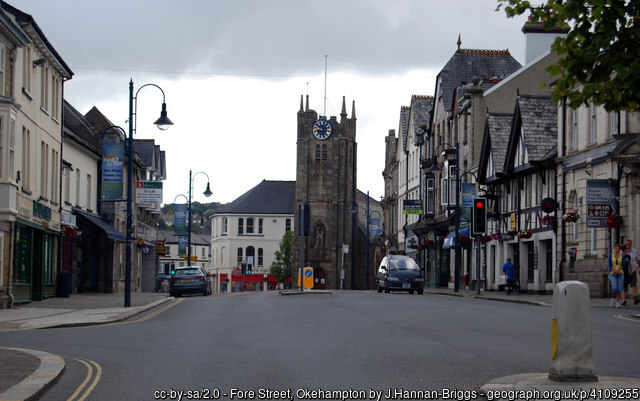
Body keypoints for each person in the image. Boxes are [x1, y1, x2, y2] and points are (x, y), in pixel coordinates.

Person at [609, 244, 626, 308]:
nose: (616, 249)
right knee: (614, 288)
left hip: (620, 273)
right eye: (615, 248)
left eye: (618, 248)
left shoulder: (622, 256)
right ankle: (613, 298)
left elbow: (623, 265)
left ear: (619, 250)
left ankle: (618, 302)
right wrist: (614, 270)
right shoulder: (611, 256)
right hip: (613, 273)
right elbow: (610, 265)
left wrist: (619, 269)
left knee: (619, 289)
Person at [626, 239, 639, 304]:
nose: (628, 245)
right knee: (624, 286)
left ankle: (635, 298)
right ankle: (623, 300)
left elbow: (638, 260)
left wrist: (639, 267)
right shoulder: (622, 252)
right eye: (627, 244)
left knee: (634, 284)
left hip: (633, 270)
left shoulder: (634, 251)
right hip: (625, 271)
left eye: (629, 244)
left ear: (631, 244)